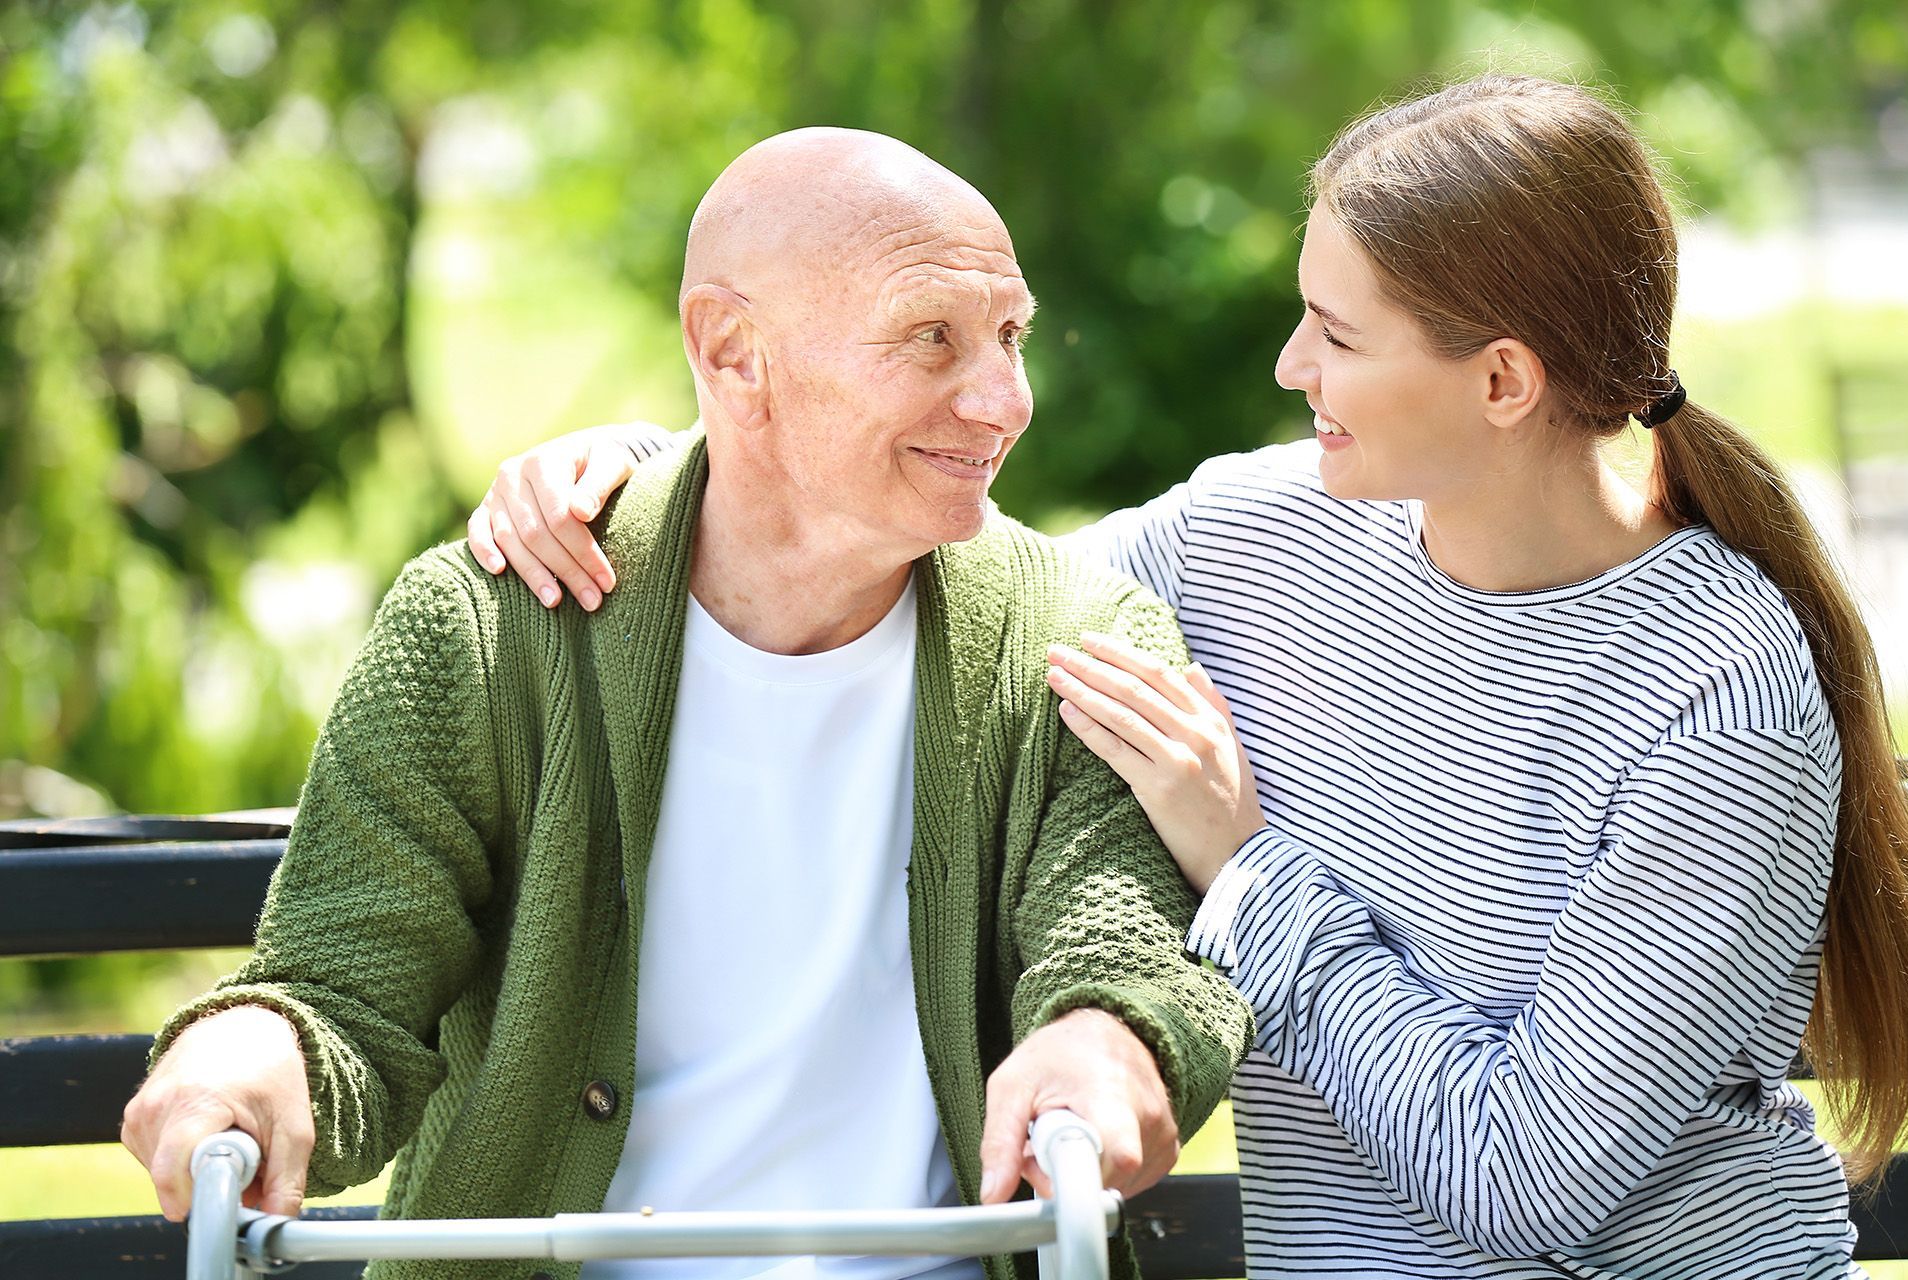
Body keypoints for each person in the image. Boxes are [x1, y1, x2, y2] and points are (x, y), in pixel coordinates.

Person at [468, 76, 1908, 1279]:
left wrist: (1247, 869)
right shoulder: (1253, 542)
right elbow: (923, 573)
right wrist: (666, 469)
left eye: (1339, 338)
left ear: (1500, 383)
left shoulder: (1716, 696)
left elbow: (1525, 1176)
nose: (1290, 365)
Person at [121, 128, 1251, 1280]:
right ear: (734, 349)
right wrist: (249, 1051)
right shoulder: (487, 627)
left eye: (1009, 334)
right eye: (932, 337)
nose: (1004, 399)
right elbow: (338, 983)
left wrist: (1104, 1041)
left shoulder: (1082, 642)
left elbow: (1118, 951)